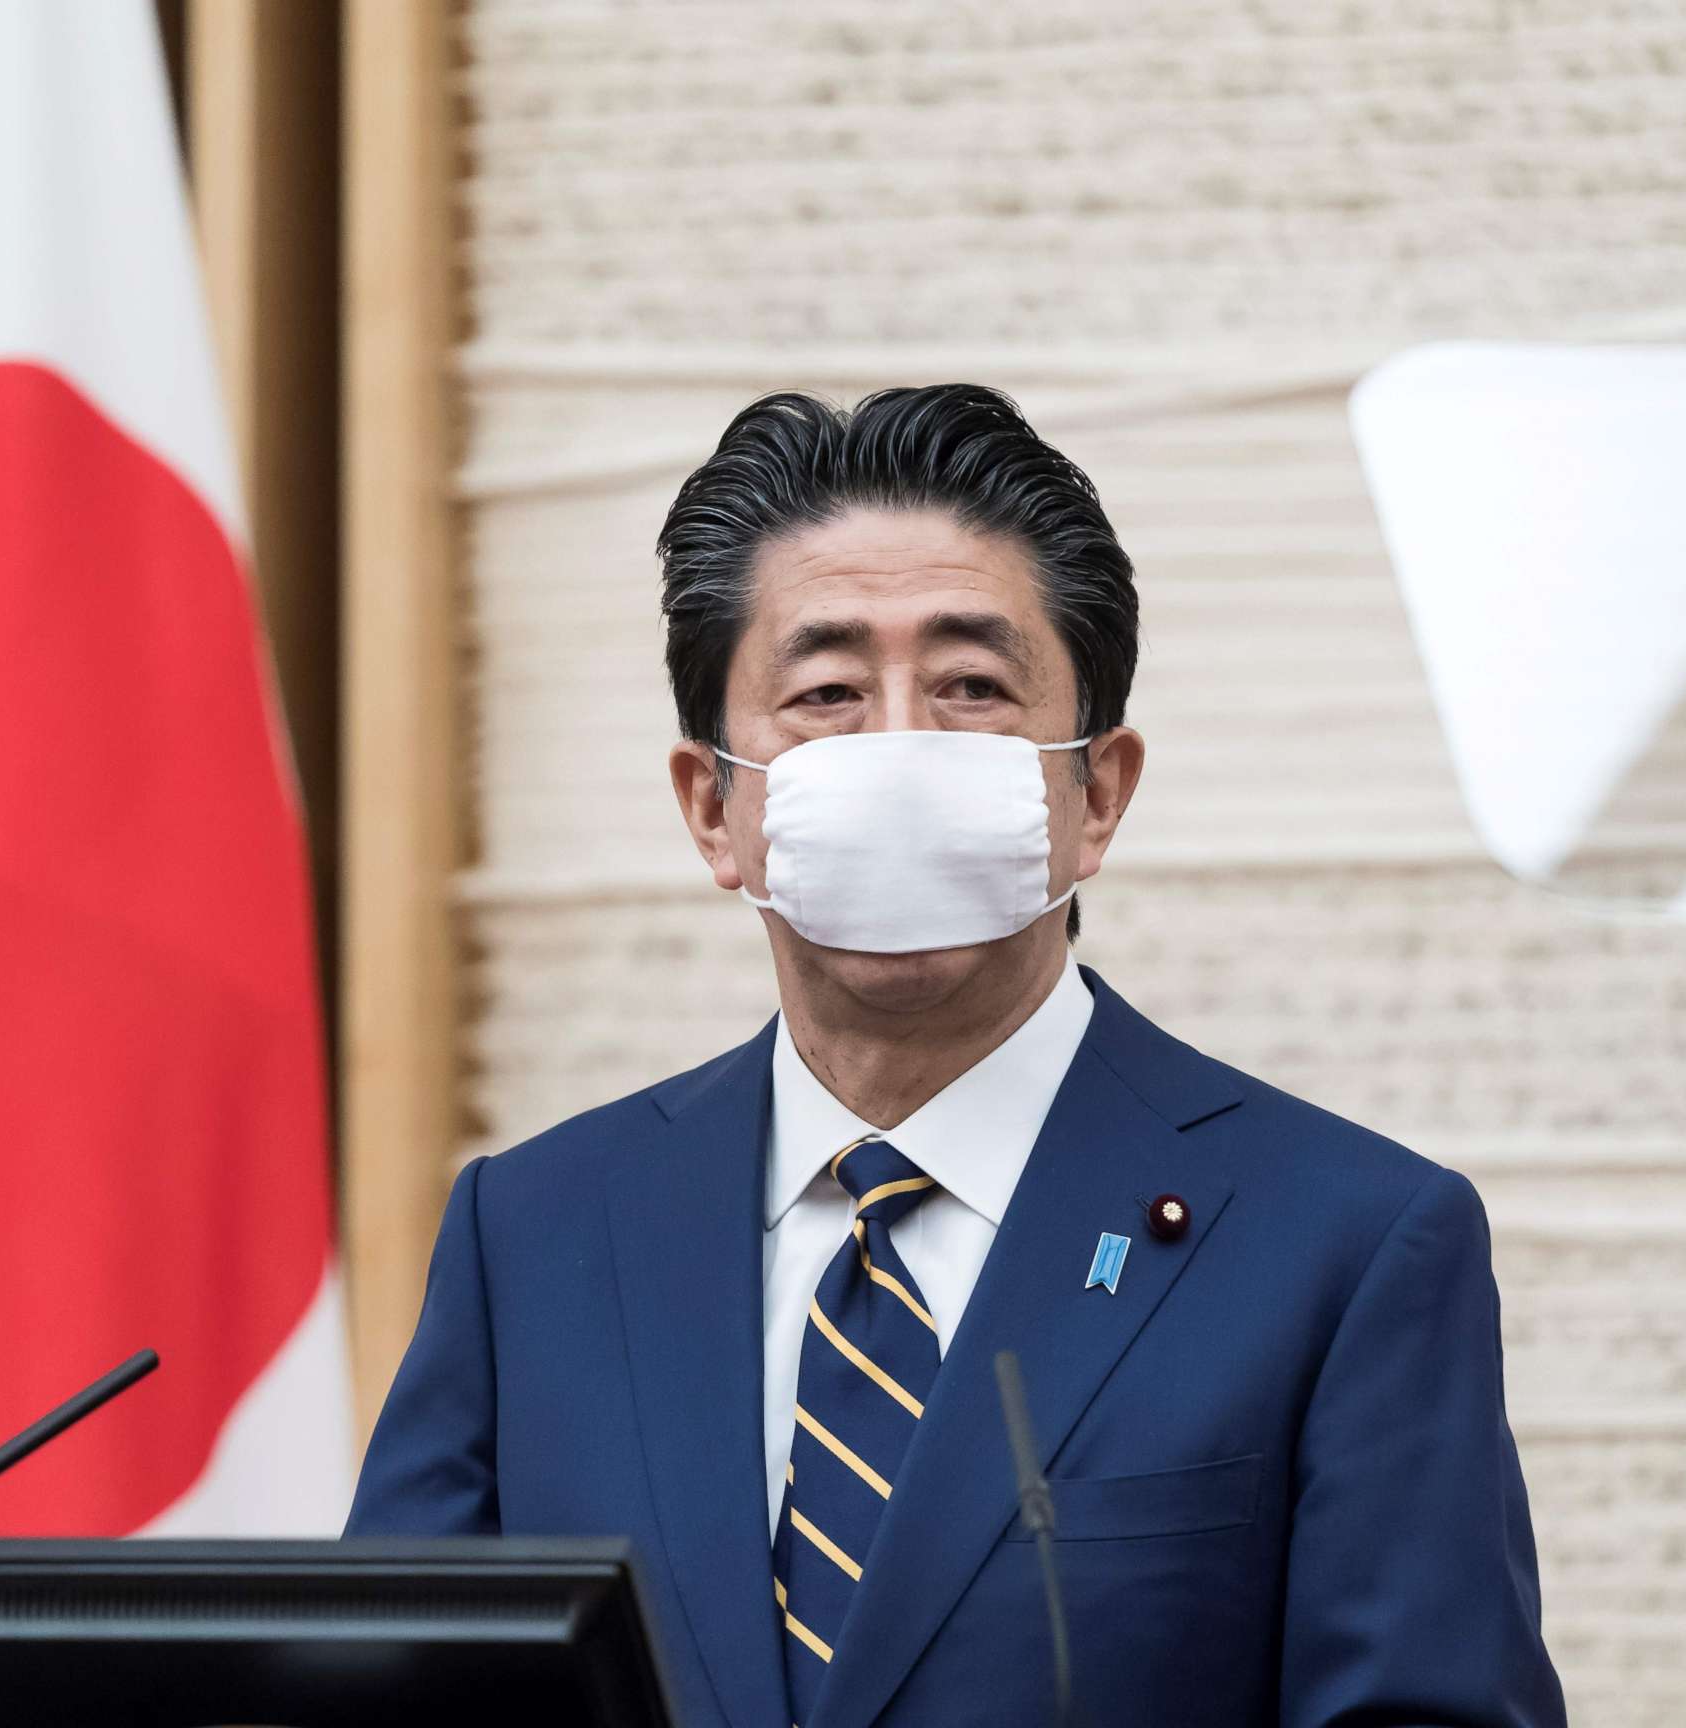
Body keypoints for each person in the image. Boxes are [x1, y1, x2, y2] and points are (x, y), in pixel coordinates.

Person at [347, 385, 1566, 1728]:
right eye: (826, 692)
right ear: (714, 810)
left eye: (971, 687)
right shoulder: (534, 1237)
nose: (902, 748)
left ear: (1094, 794)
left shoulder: (1345, 1247)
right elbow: (401, 1693)